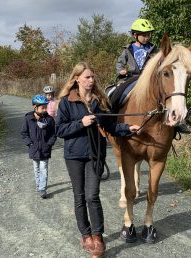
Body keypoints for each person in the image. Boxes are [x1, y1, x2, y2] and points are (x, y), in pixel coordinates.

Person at [55, 62, 140, 257]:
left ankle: (98, 235)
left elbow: (111, 126)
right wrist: (81, 123)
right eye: (87, 77)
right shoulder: (67, 102)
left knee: (92, 195)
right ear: (77, 78)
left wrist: (128, 128)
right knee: (79, 197)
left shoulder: (100, 101)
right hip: (74, 156)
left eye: (93, 77)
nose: (91, 80)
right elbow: (59, 130)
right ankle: (86, 235)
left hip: (96, 155)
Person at [114, 18, 191, 134]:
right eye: (144, 35)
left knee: (166, 94)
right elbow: (119, 63)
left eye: (148, 34)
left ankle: (176, 123)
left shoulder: (153, 49)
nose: (147, 37)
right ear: (135, 35)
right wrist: (121, 70)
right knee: (117, 93)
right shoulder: (128, 49)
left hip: (148, 79)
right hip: (131, 77)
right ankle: (110, 118)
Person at [21, 94, 56, 199]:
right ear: (35, 107)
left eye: (46, 106)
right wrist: (29, 143)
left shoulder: (49, 120)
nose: (45, 109)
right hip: (34, 149)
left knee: (43, 168)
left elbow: (53, 134)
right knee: (36, 168)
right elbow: (24, 133)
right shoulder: (28, 118)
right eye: (42, 107)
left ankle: (42, 188)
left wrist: (49, 143)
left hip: (45, 149)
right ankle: (38, 185)